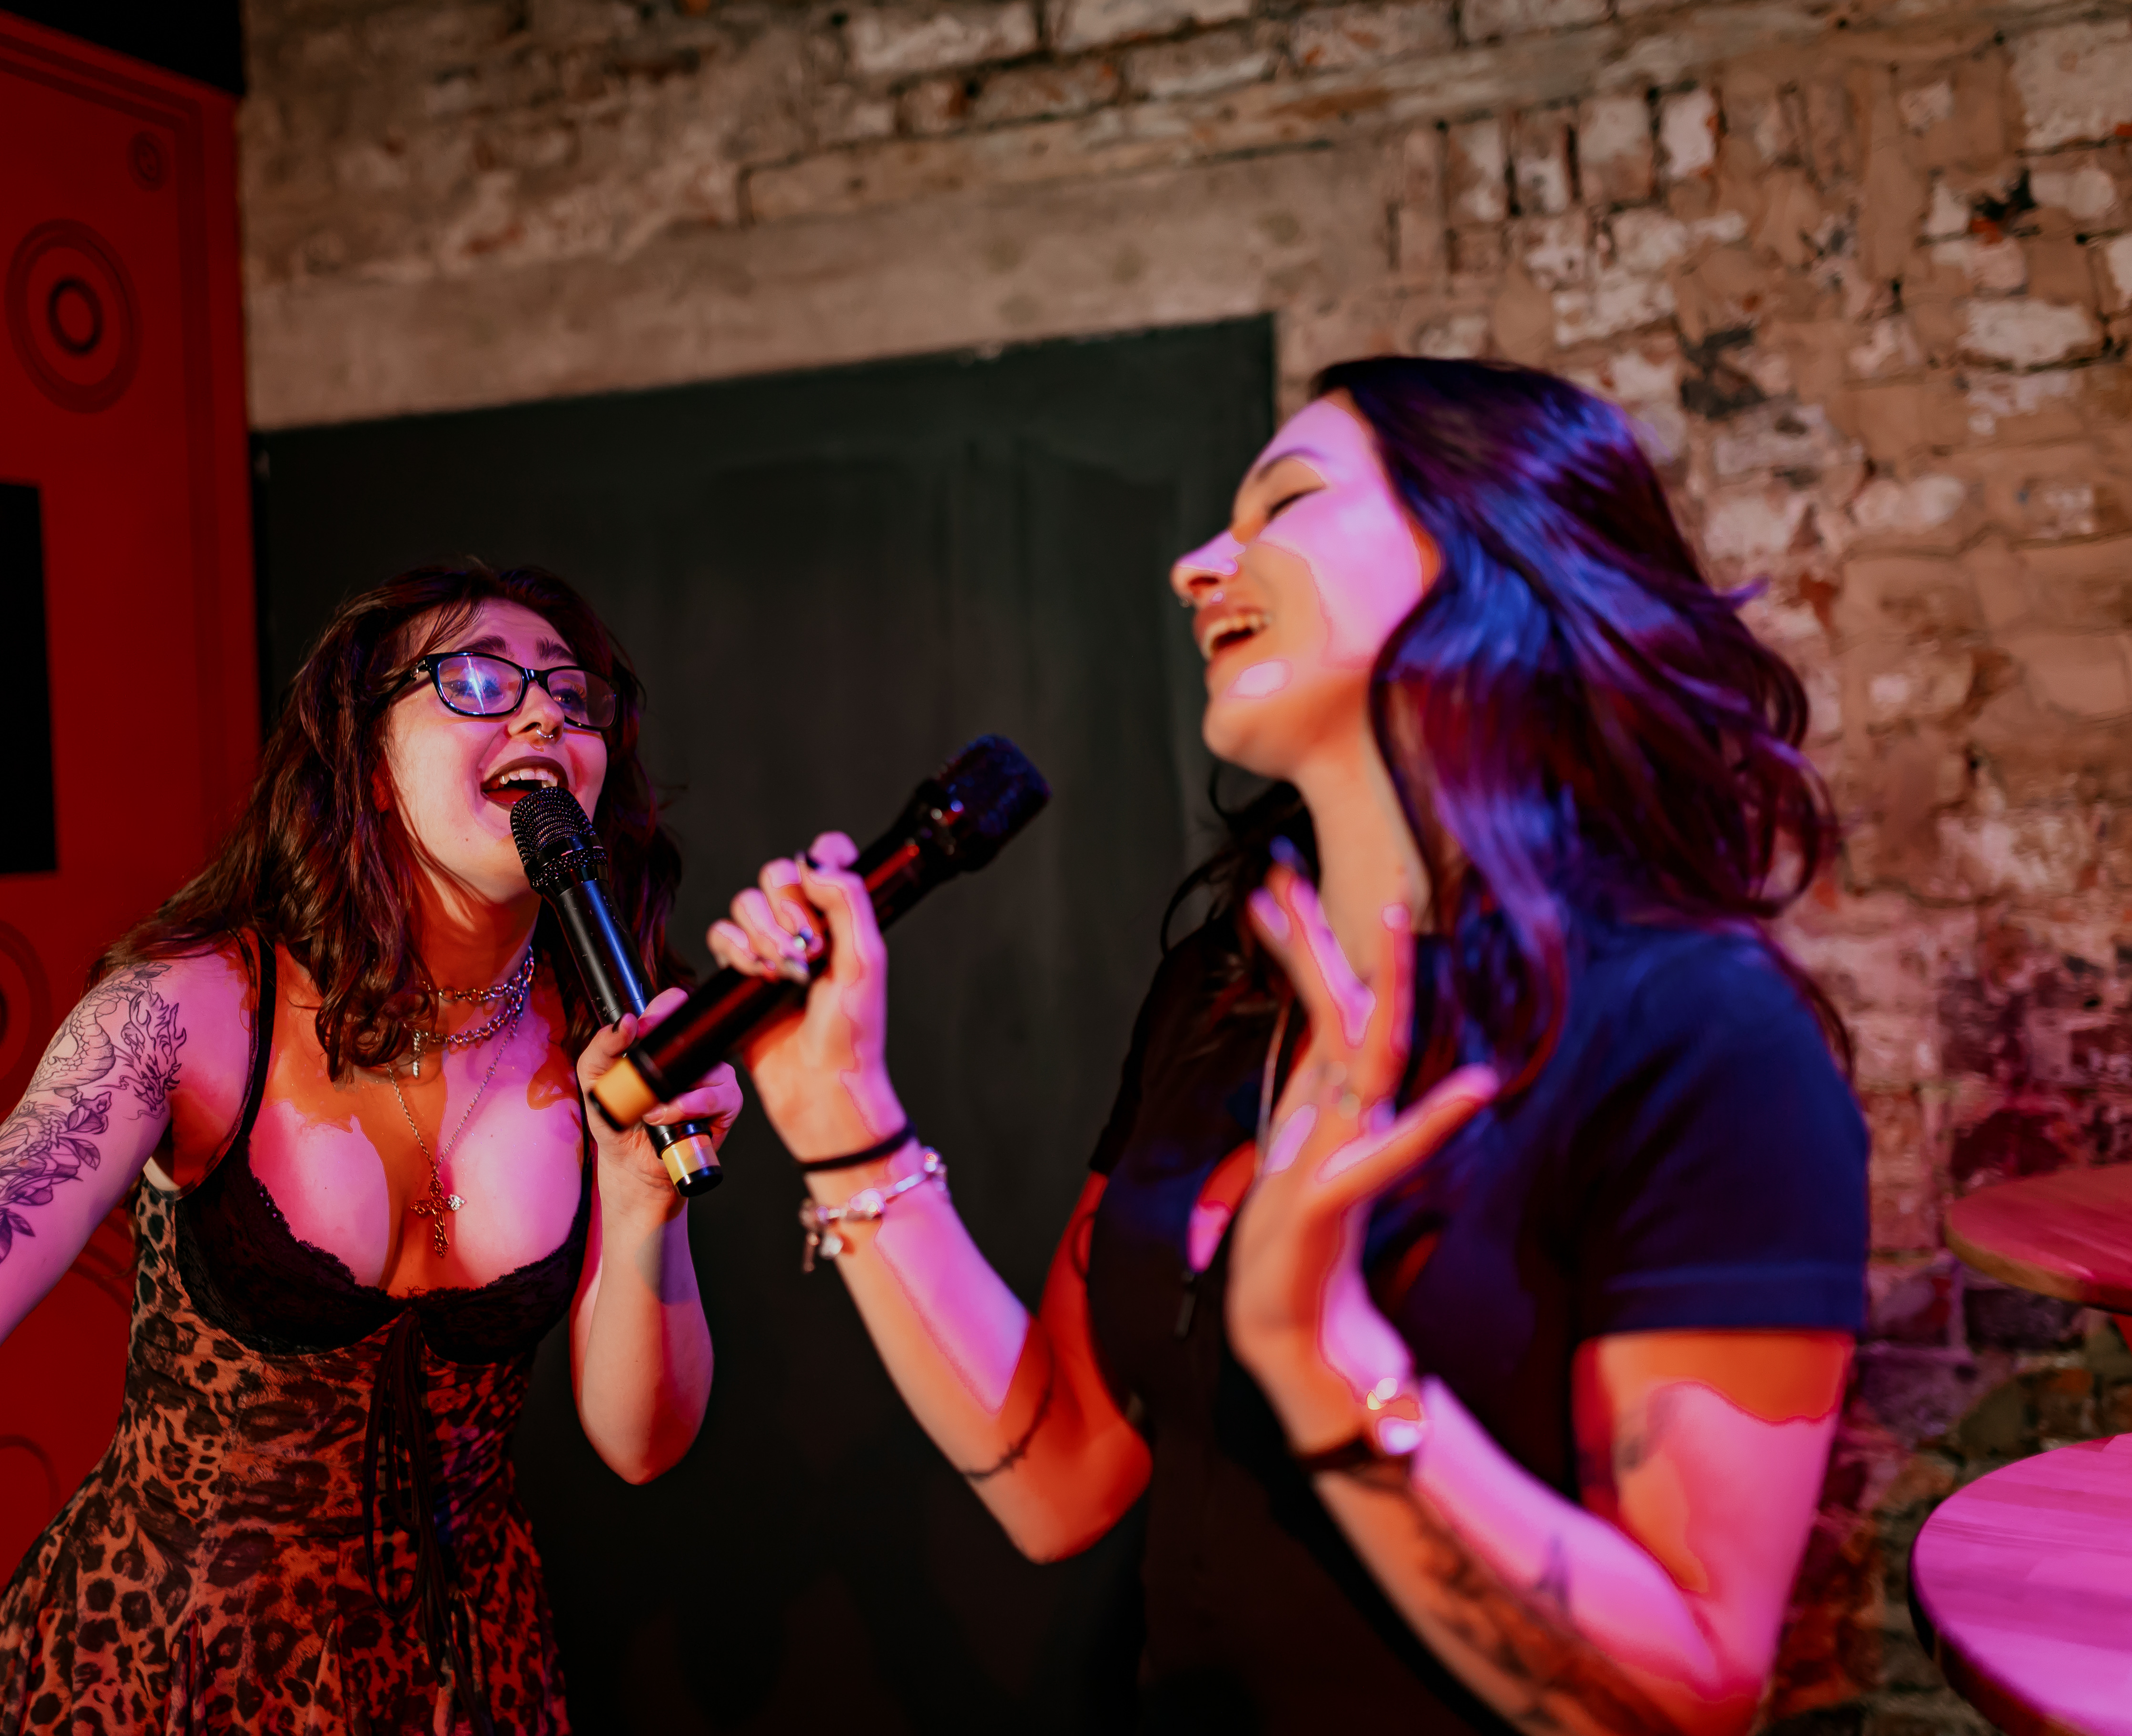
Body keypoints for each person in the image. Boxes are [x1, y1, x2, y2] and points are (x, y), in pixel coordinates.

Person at [708, 357, 1868, 1736]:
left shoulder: (1700, 1032)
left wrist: (1327, 1354)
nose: (1200, 564)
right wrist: (842, 1109)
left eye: (1287, 504)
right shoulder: (1226, 993)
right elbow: (1065, 1473)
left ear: (1492, 550)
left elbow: (1685, 1692)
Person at [0, 563, 736, 1733]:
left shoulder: (605, 1035)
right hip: (165, 1663)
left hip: (460, 1675)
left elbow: (642, 1445)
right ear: (369, 766)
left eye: (570, 695)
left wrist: (644, 1202)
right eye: (477, 681)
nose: (541, 713)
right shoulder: (191, 1011)